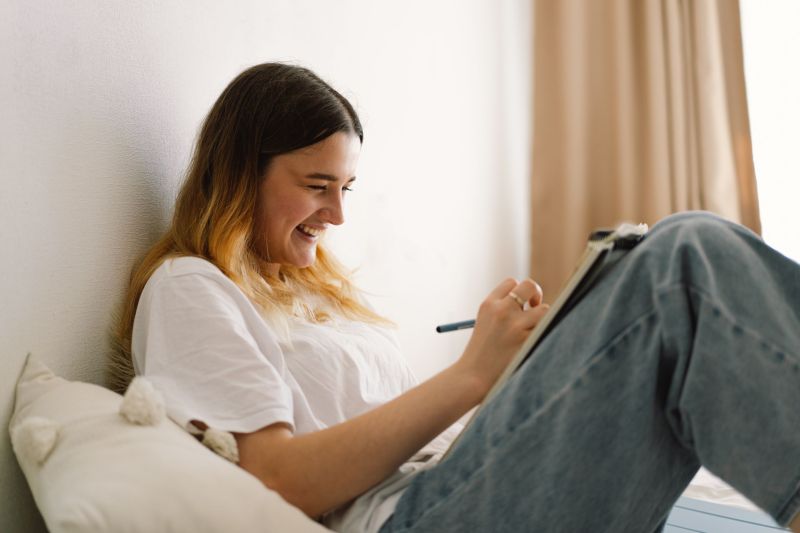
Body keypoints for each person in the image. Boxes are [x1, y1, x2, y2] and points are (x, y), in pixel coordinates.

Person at [112, 62, 800, 532]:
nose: (338, 216)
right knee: (682, 261)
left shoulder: (314, 296)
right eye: (317, 185)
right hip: (416, 519)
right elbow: (278, 480)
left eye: (345, 189)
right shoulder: (191, 287)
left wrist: (527, 372)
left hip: (448, 484)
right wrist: (472, 374)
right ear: (241, 172)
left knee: (666, 260)